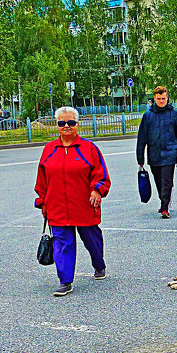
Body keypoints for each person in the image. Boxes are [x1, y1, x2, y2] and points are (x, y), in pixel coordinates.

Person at [34, 106, 111, 297]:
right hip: (57, 206)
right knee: (62, 242)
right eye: (62, 123)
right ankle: (65, 281)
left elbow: (101, 175)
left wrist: (96, 190)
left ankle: (99, 264)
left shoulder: (89, 148)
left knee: (91, 239)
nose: (66, 126)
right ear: (57, 126)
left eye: (70, 123)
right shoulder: (49, 149)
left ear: (77, 125)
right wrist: (42, 201)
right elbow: (42, 179)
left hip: (84, 205)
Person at [136, 86, 177, 219]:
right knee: (159, 181)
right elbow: (142, 138)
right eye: (158, 99)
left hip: (170, 153)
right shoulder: (148, 116)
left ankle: (165, 207)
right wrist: (140, 157)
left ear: (167, 98)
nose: (161, 101)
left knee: (167, 181)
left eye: (163, 98)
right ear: (154, 98)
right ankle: (163, 200)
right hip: (154, 154)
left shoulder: (174, 115)